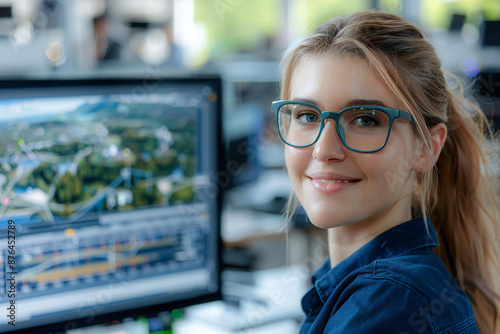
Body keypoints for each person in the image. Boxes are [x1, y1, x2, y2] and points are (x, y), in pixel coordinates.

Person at [272, 10, 500, 333]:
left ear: (426, 148)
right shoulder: (378, 290)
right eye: (307, 116)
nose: (323, 150)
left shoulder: (394, 305)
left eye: (365, 119)